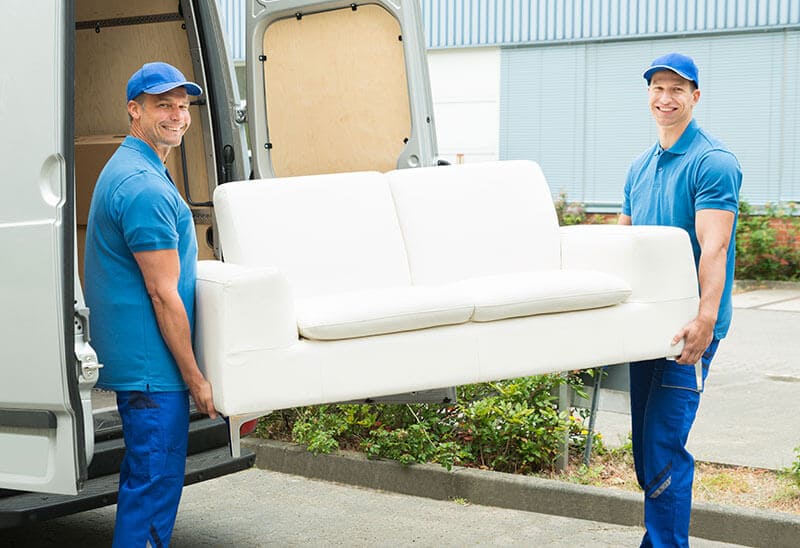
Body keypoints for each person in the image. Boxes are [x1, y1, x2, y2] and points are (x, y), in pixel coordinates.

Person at [85, 61, 218, 547]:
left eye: (183, 106)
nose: (177, 115)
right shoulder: (142, 186)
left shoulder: (135, 167)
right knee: (153, 487)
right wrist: (195, 377)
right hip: (153, 369)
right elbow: (163, 293)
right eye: (163, 104)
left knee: (147, 481)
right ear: (134, 109)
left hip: (147, 364)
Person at [620, 52, 742, 547]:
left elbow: (714, 245)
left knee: (664, 446)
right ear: (648, 95)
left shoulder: (712, 162)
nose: (665, 99)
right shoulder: (639, 166)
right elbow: (622, 246)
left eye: (677, 89)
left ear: (695, 96)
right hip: (644, 326)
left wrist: (705, 319)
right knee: (645, 454)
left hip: (686, 331)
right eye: (657, 89)